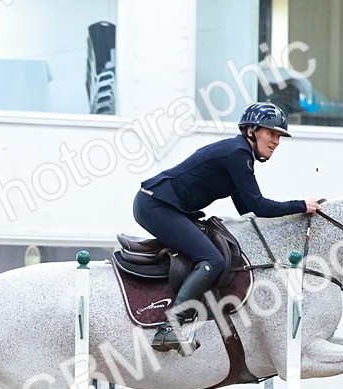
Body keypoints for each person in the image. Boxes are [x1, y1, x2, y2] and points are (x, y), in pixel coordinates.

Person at [134, 101, 320, 353]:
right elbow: (260, 206)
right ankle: (170, 329)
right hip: (155, 205)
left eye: (279, 136)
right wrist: (301, 206)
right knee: (212, 259)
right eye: (271, 133)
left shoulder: (239, 154)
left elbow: (247, 209)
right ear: (251, 131)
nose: (276, 141)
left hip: (163, 205)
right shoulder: (237, 154)